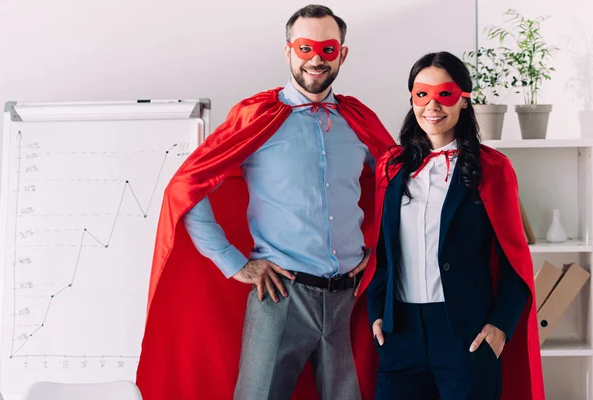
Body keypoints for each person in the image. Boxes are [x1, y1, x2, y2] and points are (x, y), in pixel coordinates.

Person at [135, 4, 394, 400]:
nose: (316, 59)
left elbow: (398, 188)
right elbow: (186, 186)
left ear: (342, 54)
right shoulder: (255, 116)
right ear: (288, 51)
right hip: (280, 297)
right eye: (306, 47)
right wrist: (233, 262)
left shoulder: (358, 121)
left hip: (350, 300)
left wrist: (376, 250)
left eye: (328, 49)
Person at [365, 51, 545, 400]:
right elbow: (382, 252)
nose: (432, 105)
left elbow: (514, 259)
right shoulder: (391, 166)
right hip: (399, 333)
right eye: (422, 94)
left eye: (443, 94)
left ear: (464, 100)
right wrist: (377, 314)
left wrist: (500, 328)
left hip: (467, 336)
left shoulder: (492, 169)